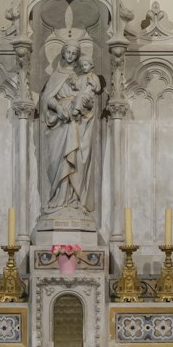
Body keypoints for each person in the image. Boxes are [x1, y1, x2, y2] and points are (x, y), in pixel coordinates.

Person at [40, 40, 101, 217]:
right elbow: (47, 98)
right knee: (58, 161)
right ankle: (58, 198)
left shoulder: (83, 75)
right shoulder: (56, 75)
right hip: (60, 123)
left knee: (76, 159)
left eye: (74, 54)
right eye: (68, 52)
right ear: (62, 53)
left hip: (77, 123)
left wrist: (82, 103)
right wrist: (59, 108)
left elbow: (90, 97)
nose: (71, 56)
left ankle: (73, 200)